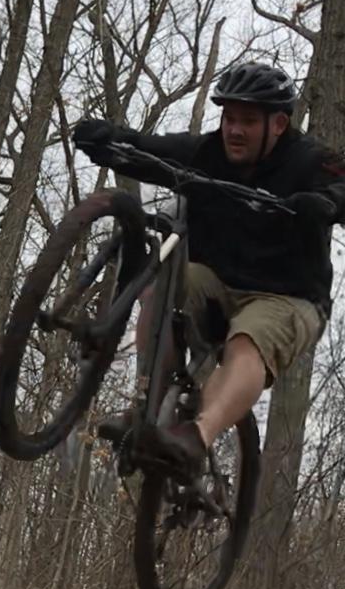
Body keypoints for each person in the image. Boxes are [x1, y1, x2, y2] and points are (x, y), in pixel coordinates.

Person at [72, 62, 345, 478]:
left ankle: (194, 438)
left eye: (248, 122)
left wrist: (327, 202)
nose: (234, 130)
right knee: (163, 282)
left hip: (287, 296)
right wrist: (106, 141)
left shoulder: (307, 160)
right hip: (216, 281)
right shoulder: (208, 152)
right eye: (229, 118)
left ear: (279, 124)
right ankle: (146, 408)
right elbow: (150, 151)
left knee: (248, 341)